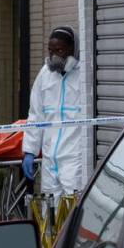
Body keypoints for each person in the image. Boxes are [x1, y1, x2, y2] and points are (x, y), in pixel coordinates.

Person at [21, 26, 83, 199]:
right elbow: (36, 114)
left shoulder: (83, 75)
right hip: (49, 159)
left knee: (71, 210)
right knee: (48, 214)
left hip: (74, 158)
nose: (54, 56)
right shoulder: (45, 75)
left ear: (72, 49)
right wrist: (30, 151)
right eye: (50, 50)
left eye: (60, 50)